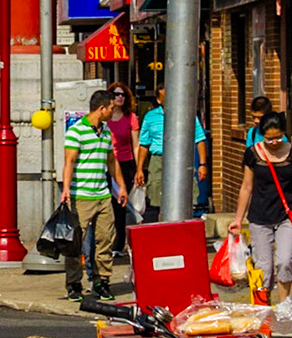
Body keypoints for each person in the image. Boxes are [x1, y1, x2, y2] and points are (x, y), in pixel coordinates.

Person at [229, 111, 292, 305]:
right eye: (269, 138)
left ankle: (284, 306)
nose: (274, 142)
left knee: (285, 262)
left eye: (278, 137)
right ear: (262, 135)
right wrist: (238, 219)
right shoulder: (253, 154)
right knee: (264, 268)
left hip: (287, 216)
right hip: (260, 217)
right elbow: (246, 187)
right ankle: (264, 309)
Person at [61, 89, 128, 302]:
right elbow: (69, 161)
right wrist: (66, 189)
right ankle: (74, 284)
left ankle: (101, 281)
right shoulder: (76, 132)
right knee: (75, 243)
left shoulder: (106, 132)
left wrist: (121, 187)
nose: (113, 111)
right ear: (101, 108)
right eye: (111, 108)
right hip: (81, 196)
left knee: (105, 240)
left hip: (103, 195)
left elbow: (112, 161)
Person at [138, 88, 210, 221]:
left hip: (182, 159)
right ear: (159, 100)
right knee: (160, 201)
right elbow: (143, 144)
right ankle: (163, 228)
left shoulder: (187, 114)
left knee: (185, 198)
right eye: (166, 98)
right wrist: (140, 169)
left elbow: (199, 139)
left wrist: (202, 164)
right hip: (158, 160)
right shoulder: (150, 117)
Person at [108, 84, 139, 262]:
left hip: (125, 163)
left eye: (123, 95)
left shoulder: (131, 118)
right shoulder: (105, 117)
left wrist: (139, 168)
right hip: (107, 164)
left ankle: (118, 244)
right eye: (116, 94)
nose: (119, 97)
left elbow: (135, 145)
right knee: (107, 203)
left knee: (120, 203)